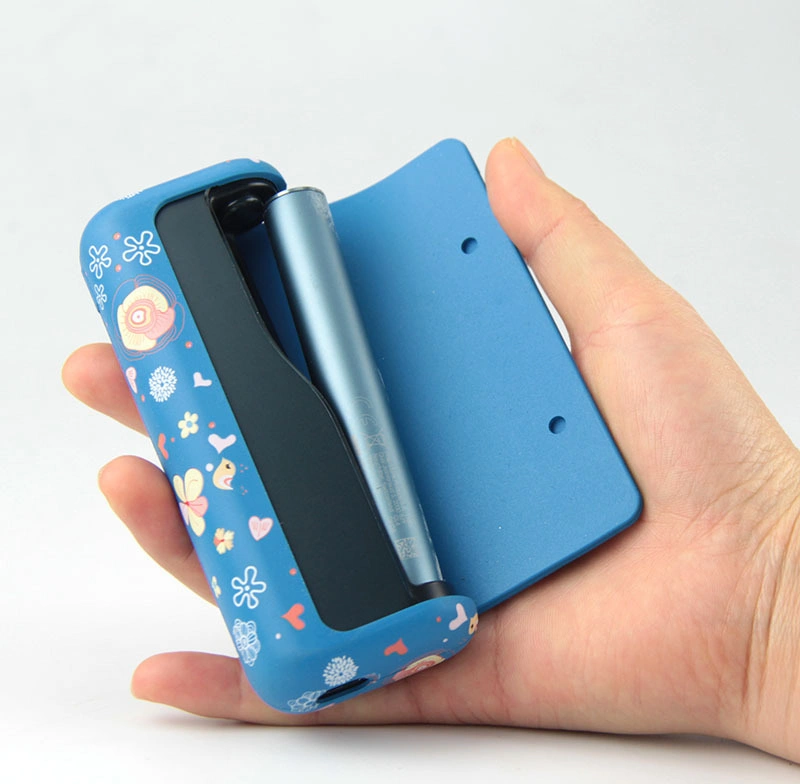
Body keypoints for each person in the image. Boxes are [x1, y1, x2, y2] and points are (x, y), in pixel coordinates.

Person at [62, 138, 800, 763]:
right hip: (400, 600)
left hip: (407, 599)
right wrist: (758, 622)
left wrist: (765, 603)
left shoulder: (161, 233)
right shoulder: (165, 232)